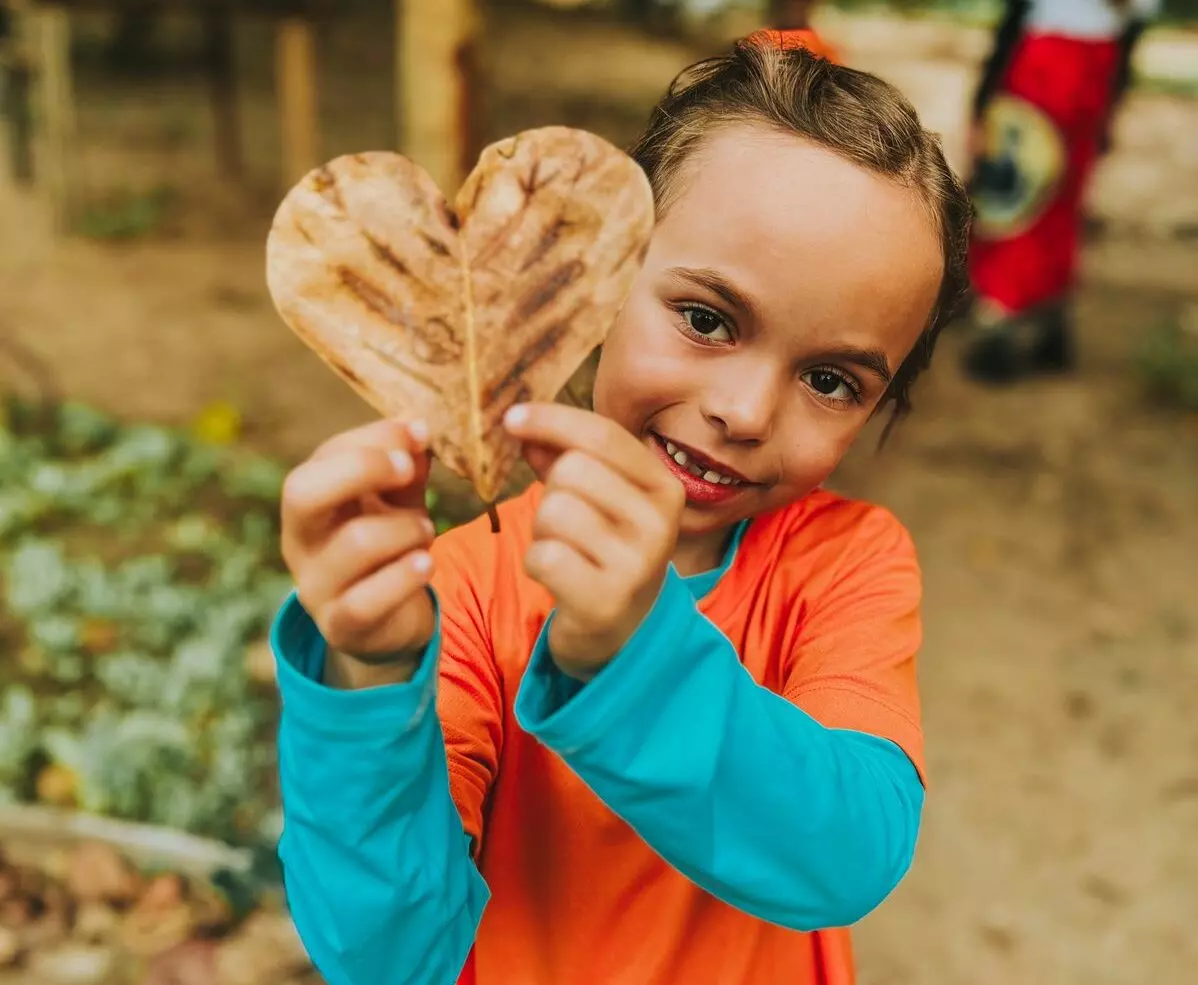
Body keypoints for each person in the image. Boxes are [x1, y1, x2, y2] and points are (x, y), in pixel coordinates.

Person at [270, 38, 971, 985]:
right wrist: (370, 670)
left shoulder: (844, 563)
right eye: (708, 319)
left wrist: (633, 649)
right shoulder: (464, 589)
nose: (746, 410)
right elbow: (389, 951)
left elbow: (847, 853)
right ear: (596, 282)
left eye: (831, 380)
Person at [962, 0, 1161, 384]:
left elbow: (1133, 23)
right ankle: (1039, 315)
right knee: (1029, 188)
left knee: (1030, 192)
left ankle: (1006, 318)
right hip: (1065, 58)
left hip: (1067, 61)